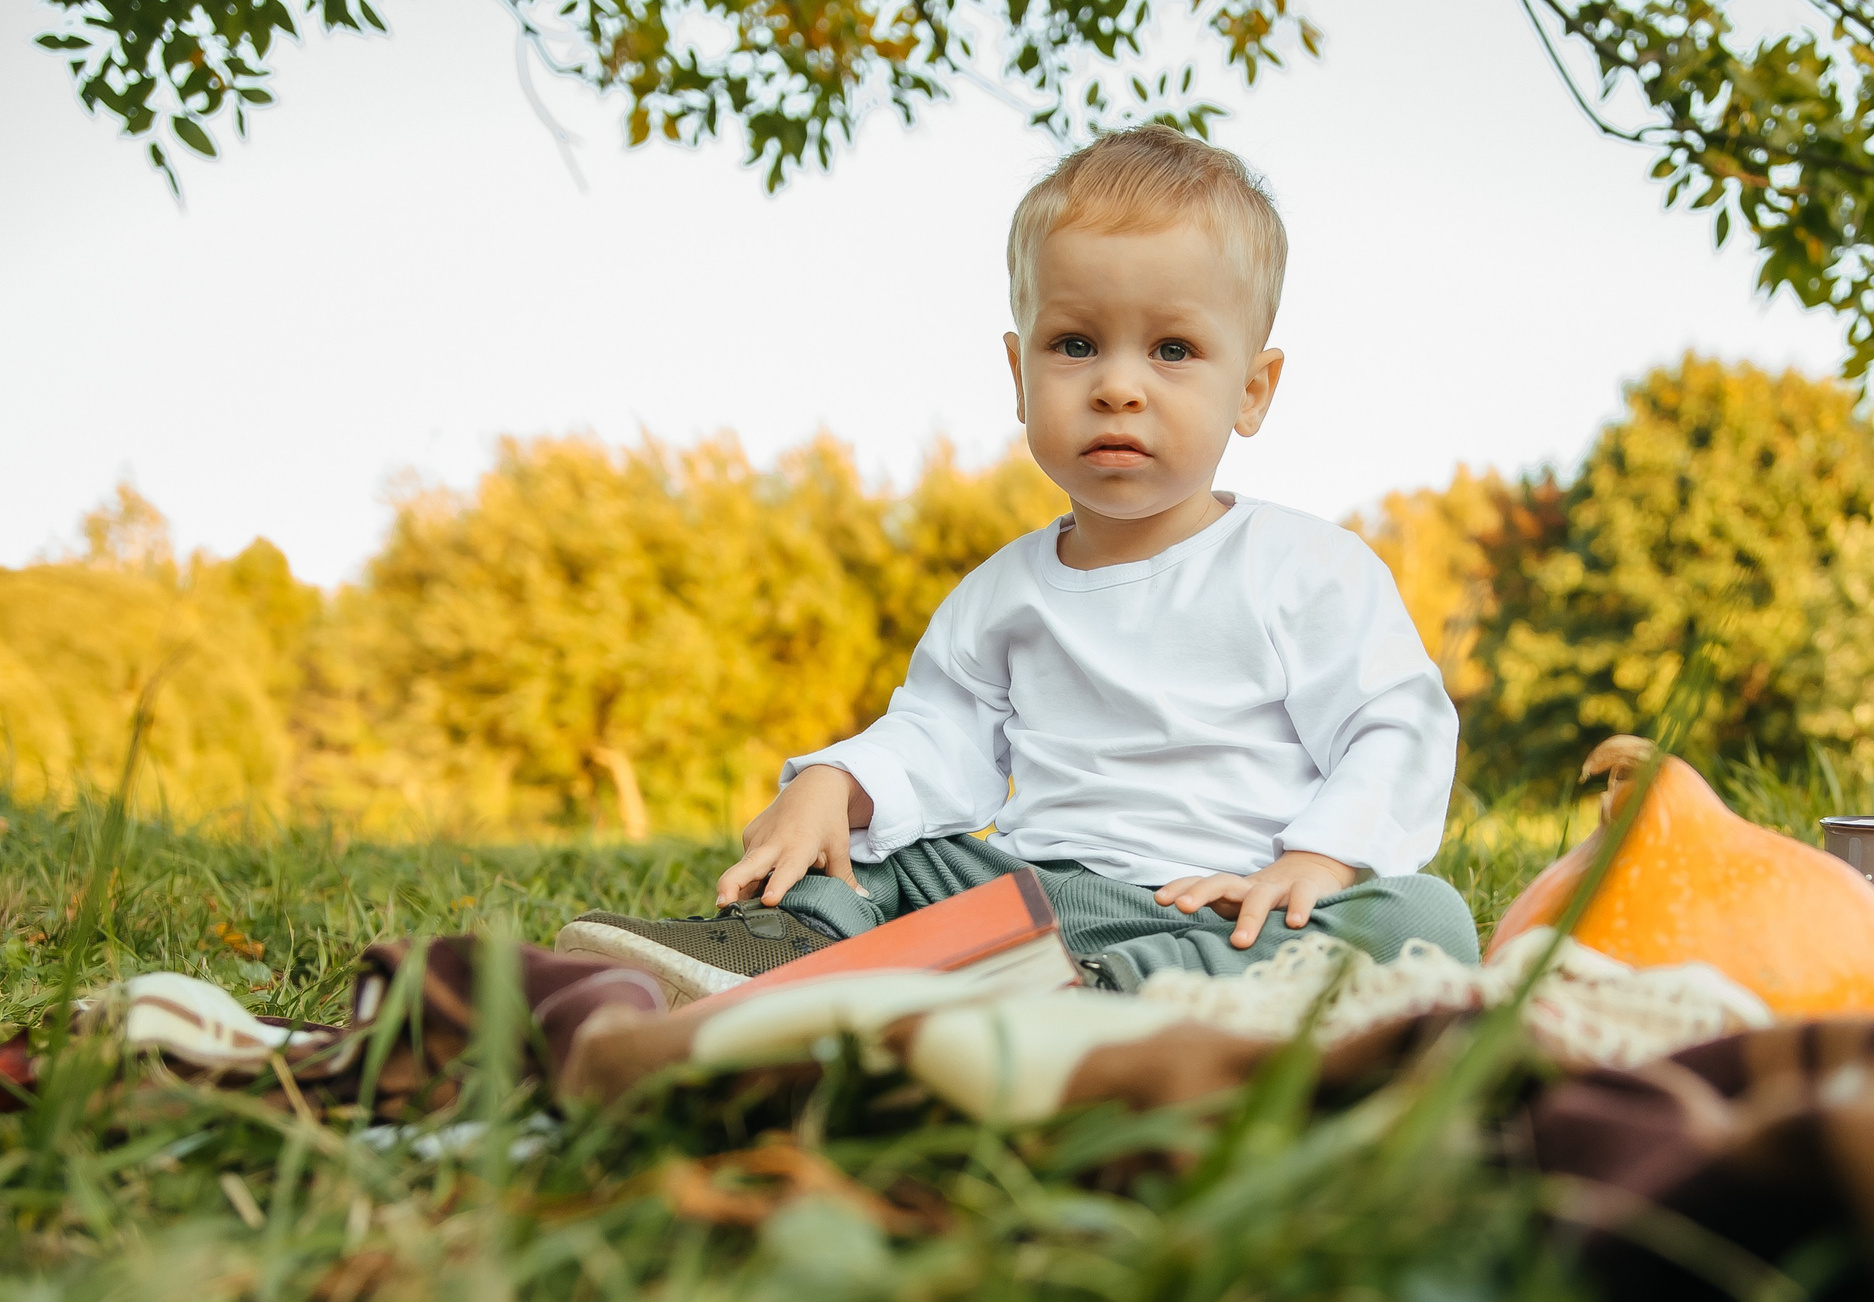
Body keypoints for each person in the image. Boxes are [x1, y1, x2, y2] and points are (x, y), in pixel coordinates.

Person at [567, 126, 1473, 1001]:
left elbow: (1394, 725)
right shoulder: (1001, 594)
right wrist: (838, 782)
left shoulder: (1306, 568)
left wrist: (1318, 858)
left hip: (1224, 906)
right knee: (885, 850)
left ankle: (1117, 998)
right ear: (1018, 374)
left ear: (1252, 389)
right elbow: (939, 735)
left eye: (1173, 350)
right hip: (1028, 900)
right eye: (1075, 345)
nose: (1118, 386)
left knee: (1420, 919)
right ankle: (782, 952)